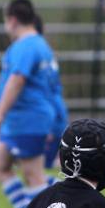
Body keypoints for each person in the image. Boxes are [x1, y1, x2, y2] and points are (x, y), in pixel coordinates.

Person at [0, 0, 57, 208]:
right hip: (20, 120)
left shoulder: (27, 46)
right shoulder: (37, 44)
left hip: (27, 119)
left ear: (12, 20)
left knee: (33, 175)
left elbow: (17, 80)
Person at [33, 13, 69, 170]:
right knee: (37, 172)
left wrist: (46, 126)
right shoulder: (46, 51)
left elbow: (44, 91)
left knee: (36, 173)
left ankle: (65, 194)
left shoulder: (34, 51)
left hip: (50, 119)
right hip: (57, 114)